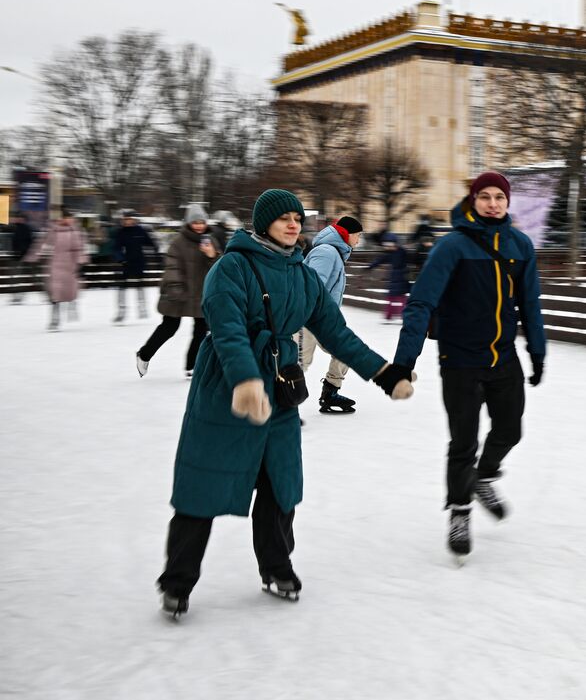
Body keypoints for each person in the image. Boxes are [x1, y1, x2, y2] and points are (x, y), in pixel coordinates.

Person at [156, 189, 415, 619]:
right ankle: (177, 582)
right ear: (263, 224)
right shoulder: (231, 267)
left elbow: (337, 333)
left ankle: (276, 567)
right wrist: (244, 382)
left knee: (281, 485)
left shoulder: (302, 274)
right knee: (203, 486)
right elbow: (227, 331)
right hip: (226, 389)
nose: (294, 224)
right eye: (284, 218)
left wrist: (382, 373)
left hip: (278, 389)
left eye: (298, 218)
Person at [390, 171, 546, 557]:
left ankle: (484, 476)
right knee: (463, 441)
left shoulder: (520, 245)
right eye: (485, 196)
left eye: (500, 197)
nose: (493, 203)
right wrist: (404, 361)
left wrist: (537, 351)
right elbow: (421, 302)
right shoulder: (453, 246)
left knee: (510, 430)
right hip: (460, 360)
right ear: (473, 200)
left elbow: (530, 304)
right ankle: (459, 510)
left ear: (508, 202)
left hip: (502, 357)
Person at [137, 205, 221, 378]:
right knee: (169, 327)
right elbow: (172, 266)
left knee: (201, 330)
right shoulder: (178, 243)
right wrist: (175, 286)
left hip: (200, 293)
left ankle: (192, 365)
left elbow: (219, 268)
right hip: (179, 292)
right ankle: (144, 355)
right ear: (189, 223)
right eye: (195, 222)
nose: (199, 225)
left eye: (202, 222)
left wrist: (212, 255)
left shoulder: (210, 241)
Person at [299, 216, 364, 414]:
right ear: (348, 234)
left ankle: (330, 392)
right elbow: (312, 287)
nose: (359, 240)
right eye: (358, 235)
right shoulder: (326, 252)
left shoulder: (334, 252)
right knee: (299, 363)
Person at [24, 206, 88, 331]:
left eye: (69, 218)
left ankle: (72, 307)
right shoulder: (53, 231)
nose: (68, 220)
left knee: (70, 291)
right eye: (65, 218)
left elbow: (80, 248)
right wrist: (32, 257)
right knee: (55, 292)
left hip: (71, 265)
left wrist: (81, 262)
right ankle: (55, 319)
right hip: (56, 264)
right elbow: (40, 244)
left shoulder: (76, 232)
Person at [113, 210, 157, 322]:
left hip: (139, 261)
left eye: (130, 219)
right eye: (126, 220)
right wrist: (121, 259)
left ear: (135, 220)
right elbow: (117, 248)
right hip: (126, 263)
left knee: (140, 285)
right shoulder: (121, 232)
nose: (128, 222)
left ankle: (142, 309)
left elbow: (150, 243)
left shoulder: (140, 230)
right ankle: (121, 311)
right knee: (122, 287)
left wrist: (154, 245)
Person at [366, 234, 411, 321]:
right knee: (391, 298)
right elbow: (379, 260)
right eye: (386, 245)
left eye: (389, 245)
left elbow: (411, 259)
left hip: (402, 277)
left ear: (394, 244)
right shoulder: (389, 254)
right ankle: (389, 315)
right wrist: (370, 267)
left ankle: (402, 315)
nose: (387, 247)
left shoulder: (402, 252)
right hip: (395, 277)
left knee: (401, 298)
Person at [9, 210, 36, 304]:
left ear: (23, 219)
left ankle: (47, 294)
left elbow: (30, 242)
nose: (16, 219)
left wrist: (25, 252)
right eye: (16, 217)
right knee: (15, 277)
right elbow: (14, 242)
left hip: (25, 256)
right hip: (17, 257)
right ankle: (16, 297)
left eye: (18, 217)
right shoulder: (16, 228)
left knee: (34, 277)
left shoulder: (26, 228)